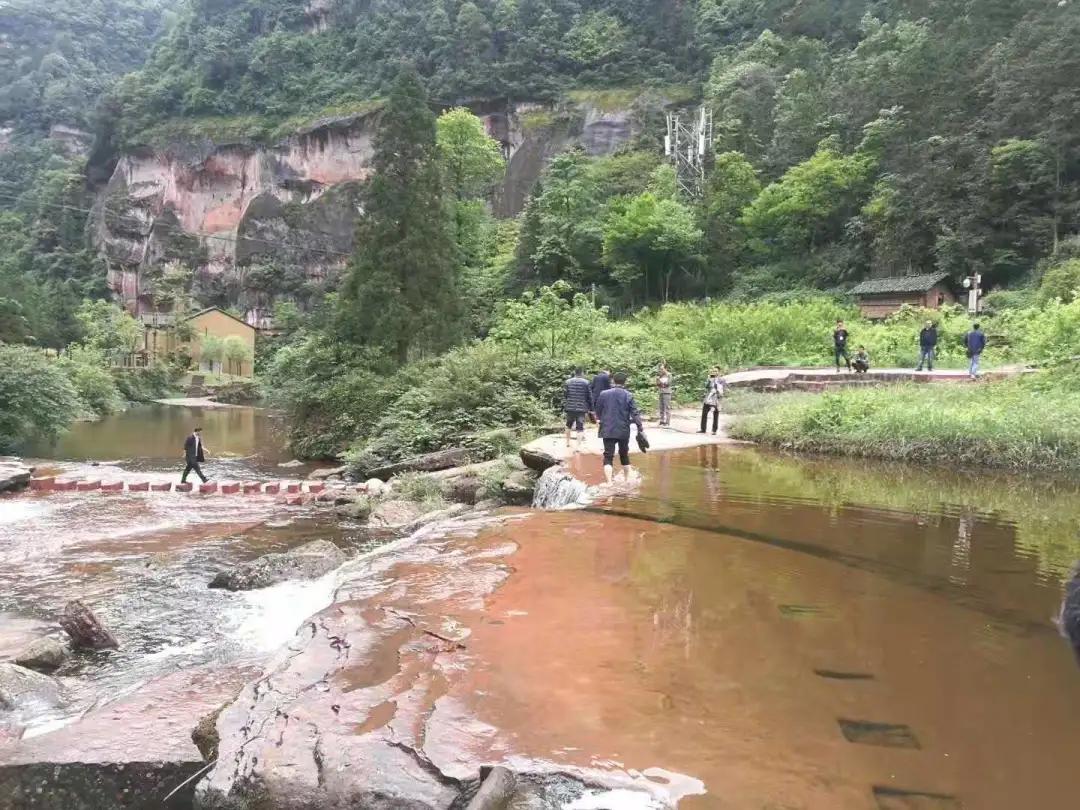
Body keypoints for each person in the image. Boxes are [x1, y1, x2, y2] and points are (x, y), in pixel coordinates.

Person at [594, 372, 646, 483]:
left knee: (608, 455)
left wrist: (599, 419)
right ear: (625, 382)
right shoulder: (628, 395)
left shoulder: (604, 394)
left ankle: (609, 483)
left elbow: (598, 410)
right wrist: (640, 427)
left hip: (607, 428)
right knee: (624, 454)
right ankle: (627, 481)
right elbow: (635, 413)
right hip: (623, 429)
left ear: (613, 381)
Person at [562, 367, 593, 448]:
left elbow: (565, 395)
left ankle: (567, 443)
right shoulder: (586, 382)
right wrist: (591, 409)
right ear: (582, 373)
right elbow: (589, 396)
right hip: (581, 408)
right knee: (580, 427)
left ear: (575, 373)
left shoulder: (568, 382)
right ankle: (578, 447)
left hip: (570, 407)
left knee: (568, 425)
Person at [698, 368, 724, 435]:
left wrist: (715, 381)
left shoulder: (721, 379)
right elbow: (706, 386)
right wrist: (709, 380)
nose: (714, 372)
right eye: (713, 371)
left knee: (715, 414)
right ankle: (703, 429)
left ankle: (714, 430)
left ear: (718, 372)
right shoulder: (709, 378)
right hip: (708, 398)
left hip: (716, 399)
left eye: (716, 371)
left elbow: (721, 389)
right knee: (704, 414)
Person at [656, 363, 673, 427]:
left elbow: (668, 383)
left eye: (662, 369)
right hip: (661, 392)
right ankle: (662, 420)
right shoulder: (660, 375)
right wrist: (659, 381)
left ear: (665, 369)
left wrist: (661, 383)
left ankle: (667, 422)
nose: (661, 370)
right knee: (661, 407)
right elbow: (657, 384)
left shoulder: (669, 375)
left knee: (667, 407)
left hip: (667, 392)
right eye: (660, 369)